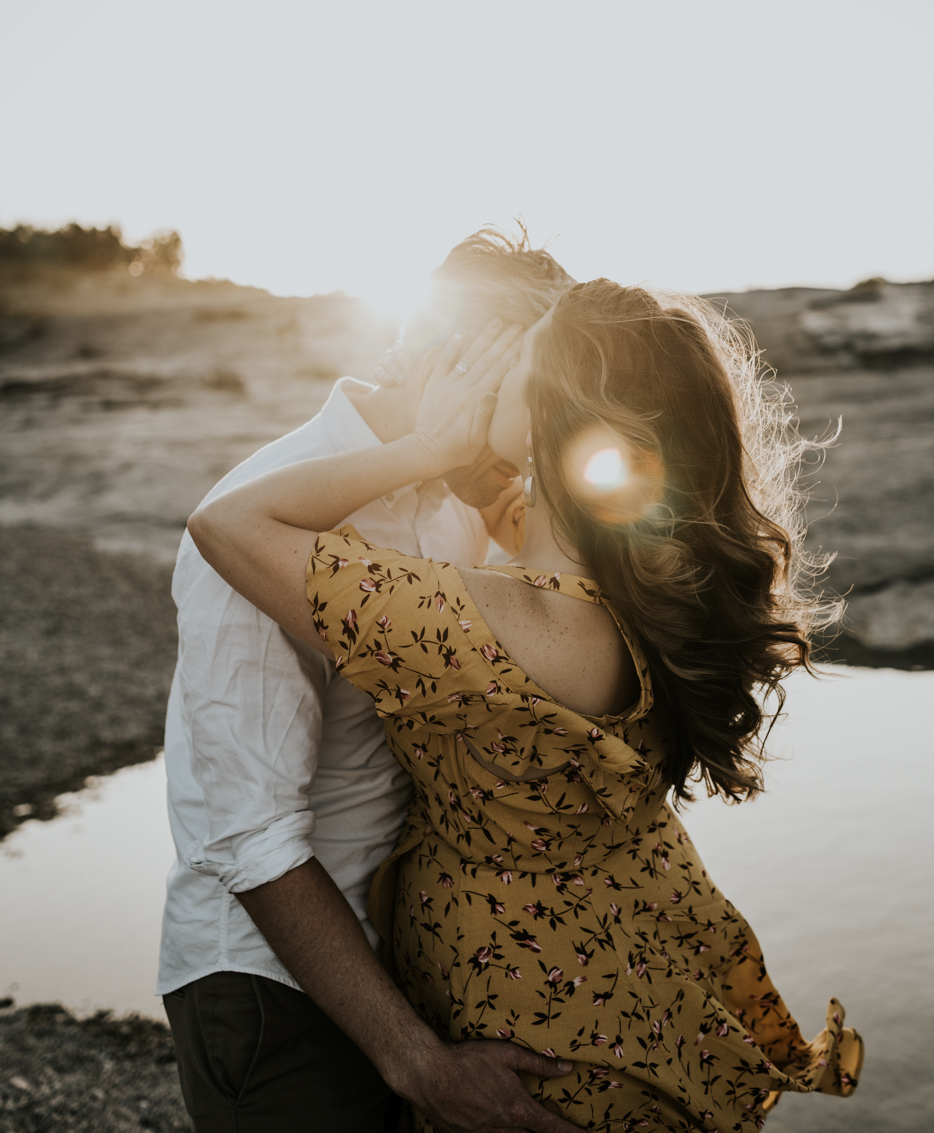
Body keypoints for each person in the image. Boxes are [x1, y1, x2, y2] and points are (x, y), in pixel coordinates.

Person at [189, 279, 865, 1133]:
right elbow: (538, 524)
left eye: (518, 362)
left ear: (551, 420)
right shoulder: (644, 583)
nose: (492, 370)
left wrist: (428, 449)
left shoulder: (487, 622)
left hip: (547, 1037)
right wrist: (493, 478)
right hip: (635, 980)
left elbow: (230, 523)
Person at [159, 228, 581, 1133]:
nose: (541, 436)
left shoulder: (457, 509)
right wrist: (418, 1064)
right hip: (270, 987)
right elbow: (251, 839)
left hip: (397, 961)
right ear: (455, 359)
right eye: (533, 399)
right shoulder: (263, 512)